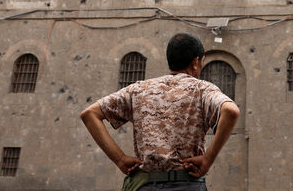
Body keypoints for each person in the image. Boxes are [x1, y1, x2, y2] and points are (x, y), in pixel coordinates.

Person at [80, 33, 240, 191]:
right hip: (187, 183)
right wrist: (208, 159)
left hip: (146, 184)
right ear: (195, 62)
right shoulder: (202, 89)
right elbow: (231, 111)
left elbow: (89, 114)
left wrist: (120, 159)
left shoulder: (138, 89)